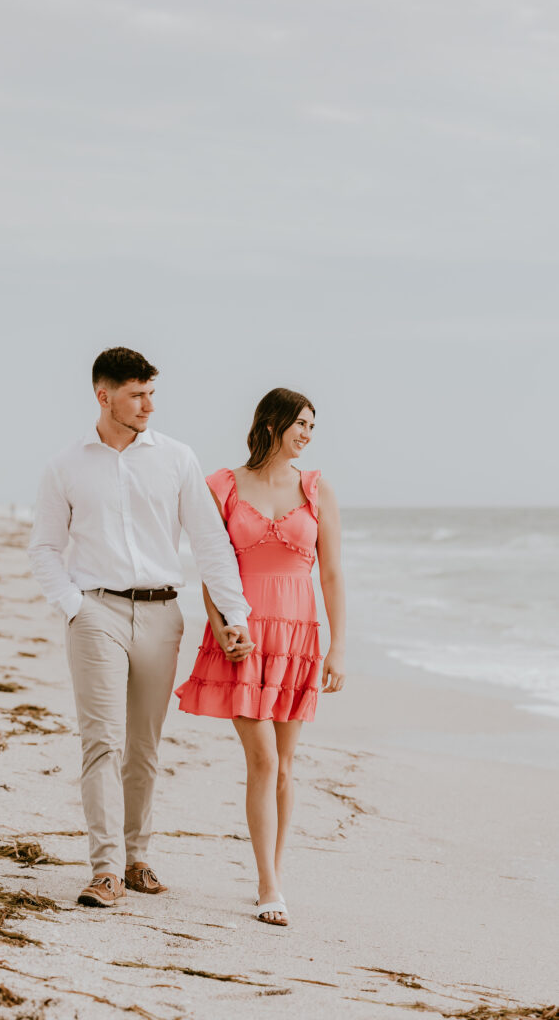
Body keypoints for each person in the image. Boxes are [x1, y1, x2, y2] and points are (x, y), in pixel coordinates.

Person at [28, 347, 253, 908]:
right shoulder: (65, 466)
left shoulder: (177, 459)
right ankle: (104, 869)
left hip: (161, 614)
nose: (149, 404)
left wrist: (235, 615)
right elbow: (45, 549)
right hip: (95, 612)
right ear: (104, 397)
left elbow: (210, 544)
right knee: (101, 741)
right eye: (137, 394)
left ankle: (136, 858)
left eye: (152, 392)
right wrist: (73, 605)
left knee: (144, 746)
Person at [175, 387, 346, 926]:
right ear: (272, 422)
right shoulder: (223, 486)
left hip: (298, 637)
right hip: (244, 637)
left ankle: (272, 872)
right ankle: (268, 884)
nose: (307, 435)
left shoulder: (317, 490)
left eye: (313, 428)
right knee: (263, 760)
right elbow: (212, 566)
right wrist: (225, 627)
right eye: (301, 424)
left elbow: (333, 575)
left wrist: (338, 648)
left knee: (286, 765)